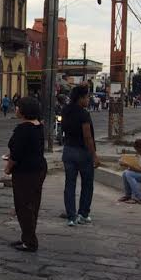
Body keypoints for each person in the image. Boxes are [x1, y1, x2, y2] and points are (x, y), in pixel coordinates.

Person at [5, 96, 47, 252]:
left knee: (23, 206)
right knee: (33, 204)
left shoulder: (23, 129)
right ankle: (27, 236)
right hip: (38, 168)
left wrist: (8, 167)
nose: (16, 109)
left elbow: (16, 154)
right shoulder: (38, 126)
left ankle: (30, 241)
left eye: (18, 107)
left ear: (24, 110)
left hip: (25, 171)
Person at [61, 84, 100, 226]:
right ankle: (83, 214)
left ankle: (71, 217)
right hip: (82, 152)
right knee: (87, 184)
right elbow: (87, 137)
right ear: (81, 98)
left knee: (69, 184)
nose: (88, 99)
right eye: (87, 97)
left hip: (68, 150)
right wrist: (94, 155)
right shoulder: (84, 114)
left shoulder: (65, 110)